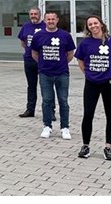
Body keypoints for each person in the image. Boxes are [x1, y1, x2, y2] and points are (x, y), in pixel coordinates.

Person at [75, 15, 111, 161]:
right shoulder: (85, 43)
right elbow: (80, 60)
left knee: (110, 115)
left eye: (95, 23)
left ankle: (108, 147)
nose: (93, 26)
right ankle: (85, 146)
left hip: (109, 83)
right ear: (88, 28)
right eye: (90, 24)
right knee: (88, 114)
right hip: (91, 83)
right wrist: (88, 73)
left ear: (101, 24)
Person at [31, 10, 76, 141]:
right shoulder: (38, 35)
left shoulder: (65, 35)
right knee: (46, 101)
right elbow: (34, 54)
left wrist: (60, 63)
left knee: (63, 101)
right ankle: (47, 126)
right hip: (45, 73)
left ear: (57, 20)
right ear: (44, 20)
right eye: (48, 19)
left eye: (53, 19)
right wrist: (43, 65)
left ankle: (65, 127)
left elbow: (70, 54)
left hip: (62, 73)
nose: (50, 21)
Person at [18, 7, 56, 120]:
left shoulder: (46, 25)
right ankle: (30, 109)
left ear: (40, 15)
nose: (33, 16)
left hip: (44, 61)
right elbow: (23, 42)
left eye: (35, 14)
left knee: (47, 86)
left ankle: (51, 111)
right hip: (29, 60)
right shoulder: (26, 26)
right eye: (31, 14)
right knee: (31, 86)